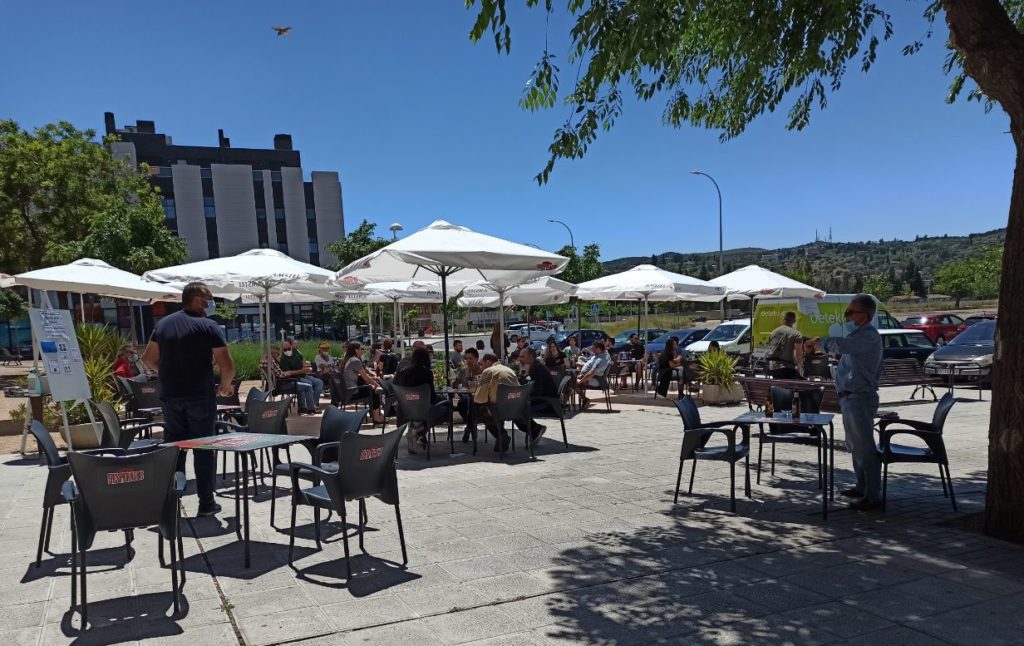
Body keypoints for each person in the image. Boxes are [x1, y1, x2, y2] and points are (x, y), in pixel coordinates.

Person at [141, 282, 234, 517]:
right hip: (200, 396)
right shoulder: (208, 326)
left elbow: (148, 359)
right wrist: (224, 386)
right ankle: (206, 503)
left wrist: (169, 370)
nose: (211, 303)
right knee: (203, 450)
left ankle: (173, 500)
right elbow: (226, 364)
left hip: (171, 396)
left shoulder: (163, 324)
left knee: (175, 449)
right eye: (208, 298)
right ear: (197, 300)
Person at [809, 294, 883, 512]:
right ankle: (862, 487)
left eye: (850, 312)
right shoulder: (858, 335)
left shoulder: (867, 336)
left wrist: (819, 344)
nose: (846, 316)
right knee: (855, 446)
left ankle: (872, 495)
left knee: (865, 447)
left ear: (864, 315)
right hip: (851, 397)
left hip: (860, 398)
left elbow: (841, 345)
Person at [394, 347, 450, 453]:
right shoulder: (427, 373)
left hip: (406, 409)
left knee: (428, 407)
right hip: (423, 409)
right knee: (447, 408)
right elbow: (432, 397)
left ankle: (416, 428)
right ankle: (420, 430)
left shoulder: (405, 372)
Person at [473, 352, 519, 452]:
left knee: (478, 410)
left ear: (488, 362)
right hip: (515, 409)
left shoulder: (489, 371)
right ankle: (501, 438)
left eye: (481, 364)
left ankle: (501, 435)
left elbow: (479, 399)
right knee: (490, 407)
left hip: (498, 410)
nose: (481, 367)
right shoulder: (509, 370)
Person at [261, 347, 318, 413]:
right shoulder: (272, 361)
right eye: (277, 353)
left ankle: (302, 408)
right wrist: (288, 373)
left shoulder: (265, 360)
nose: (278, 355)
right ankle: (311, 408)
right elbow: (280, 375)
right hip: (281, 385)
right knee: (308, 386)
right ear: (273, 353)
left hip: (275, 385)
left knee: (301, 386)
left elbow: (276, 374)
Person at [341, 342, 386, 424]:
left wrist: (372, 381)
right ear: (356, 350)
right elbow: (366, 378)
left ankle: (373, 414)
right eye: (361, 349)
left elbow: (360, 376)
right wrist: (377, 385)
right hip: (352, 392)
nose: (363, 351)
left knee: (370, 387)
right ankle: (376, 418)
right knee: (374, 391)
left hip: (346, 392)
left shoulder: (348, 359)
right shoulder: (355, 360)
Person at [277, 339, 324, 414]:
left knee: (319, 383)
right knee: (308, 384)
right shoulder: (283, 359)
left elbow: (302, 358)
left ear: (291, 346)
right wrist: (301, 371)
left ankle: (314, 404)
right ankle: (309, 408)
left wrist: (304, 367)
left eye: (288, 348)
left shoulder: (296, 352)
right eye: (285, 349)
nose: (287, 351)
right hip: (295, 378)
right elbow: (288, 373)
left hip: (303, 375)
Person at [518, 347, 551, 443]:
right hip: (542, 398)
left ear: (531, 358)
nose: (520, 359)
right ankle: (534, 429)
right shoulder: (533, 366)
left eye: (522, 357)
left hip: (547, 402)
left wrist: (523, 393)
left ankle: (535, 429)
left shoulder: (537, 368)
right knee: (513, 407)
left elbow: (537, 391)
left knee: (516, 408)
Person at [454, 347, 483, 442]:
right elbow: (456, 383)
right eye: (466, 358)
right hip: (466, 397)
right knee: (461, 405)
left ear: (476, 359)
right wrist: (455, 383)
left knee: (472, 406)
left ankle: (469, 428)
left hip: (479, 398)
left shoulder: (482, 371)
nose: (468, 361)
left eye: (471, 358)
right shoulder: (464, 371)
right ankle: (471, 426)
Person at [766, 311, 804, 379]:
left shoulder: (773, 332)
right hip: (788, 367)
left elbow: (770, 348)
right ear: (794, 321)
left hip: (773, 367)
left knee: (778, 387)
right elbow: (798, 353)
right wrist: (799, 365)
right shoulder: (796, 334)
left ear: (783, 320)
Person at [574, 340, 611, 408]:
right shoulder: (597, 354)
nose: (592, 350)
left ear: (598, 349)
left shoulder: (602, 359)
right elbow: (590, 364)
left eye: (593, 348)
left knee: (573, 383)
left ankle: (584, 399)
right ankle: (583, 399)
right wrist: (582, 365)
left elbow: (592, 373)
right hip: (588, 376)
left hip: (596, 380)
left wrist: (581, 381)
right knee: (569, 380)